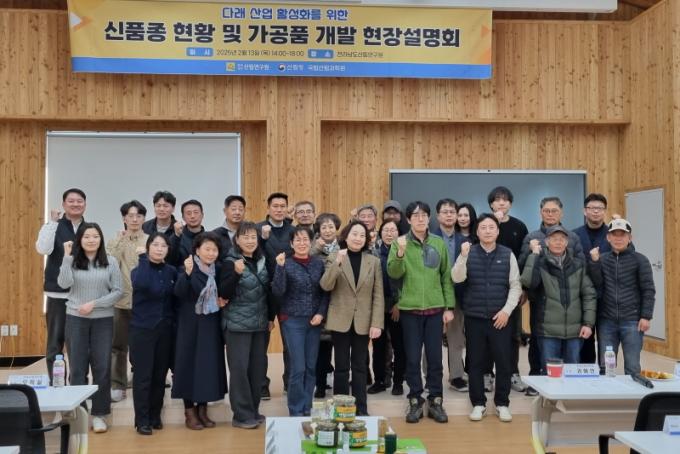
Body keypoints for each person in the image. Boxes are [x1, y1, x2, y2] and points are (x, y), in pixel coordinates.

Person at [387, 201, 454, 424]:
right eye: (415, 215)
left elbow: (446, 276)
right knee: (412, 358)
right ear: (408, 219)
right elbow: (393, 273)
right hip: (410, 310)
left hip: (435, 309)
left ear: (429, 218)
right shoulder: (399, 242)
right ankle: (415, 399)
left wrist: (449, 307)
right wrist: (400, 253)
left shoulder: (438, 243)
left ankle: (435, 400)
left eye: (424, 215)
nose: (420, 218)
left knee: (435, 358)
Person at [452, 214, 521, 423]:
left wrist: (506, 311)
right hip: (475, 317)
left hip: (501, 318)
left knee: (503, 362)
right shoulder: (468, 252)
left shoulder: (507, 254)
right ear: (477, 231)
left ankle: (502, 403)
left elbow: (515, 286)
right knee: (475, 362)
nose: (488, 231)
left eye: (492, 227)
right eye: (483, 227)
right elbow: (456, 277)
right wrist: (463, 256)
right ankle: (478, 403)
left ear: (498, 231)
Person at [58, 222, 122, 433]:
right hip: (75, 318)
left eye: (95, 236)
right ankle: (79, 413)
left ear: (101, 239)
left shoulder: (110, 261)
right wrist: (66, 258)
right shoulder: (73, 260)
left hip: (102, 320)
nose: (91, 240)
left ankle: (100, 414)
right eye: (86, 236)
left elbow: (118, 291)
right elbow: (63, 283)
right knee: (77, 368)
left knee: (102, 368)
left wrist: (94, 304)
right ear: (80, 239)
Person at [518, 196, 585, 394]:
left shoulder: (572, 237)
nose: (550, 214)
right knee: (539, 342)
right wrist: (531, 252)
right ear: (541, 212)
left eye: (554, 210)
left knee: (568, 344)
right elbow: (522, 265)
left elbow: (582, 264)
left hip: (569, 300)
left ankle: (567, 383)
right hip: (541, 299)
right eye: (546, 210)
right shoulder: (532, 237)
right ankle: (536, 379)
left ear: (561, 213)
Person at [321, 220, 384, 416]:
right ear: (346, 237)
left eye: (362, 235)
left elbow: (378, 294)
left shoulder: (373, 261)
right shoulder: (334, 257)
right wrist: (337, 263)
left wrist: (377, 323)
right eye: (354, 234)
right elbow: (326, 285)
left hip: (363, 321)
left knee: (360, 367)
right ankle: (341, 410)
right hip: (340, 320)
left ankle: (361, 410)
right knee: (341, 367)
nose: (358, 238)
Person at [218, 222, 273, 429]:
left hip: (260, 323)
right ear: (237, 240)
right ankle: (241, 415)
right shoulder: (229, 262)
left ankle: (253, 410)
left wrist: (270, 318)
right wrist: (236, 273)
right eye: (245, 237)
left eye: (253, 237)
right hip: (237, 325)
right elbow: (224, 293)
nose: (250, 241)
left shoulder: (263, 259)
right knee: (239, 370)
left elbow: (269, 291)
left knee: (257, 370)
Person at [520, 225, 596, 371]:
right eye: (554, 239)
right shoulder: (540, 263)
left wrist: (588, 323)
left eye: (562, 239)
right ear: (546, 242)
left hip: (574, 332)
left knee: (572, 374)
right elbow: (528, 282)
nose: (558, 242)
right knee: (549, 374)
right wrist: (534, 254)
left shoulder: (578, 265)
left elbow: (589, 295)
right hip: (548, 332)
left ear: (567, 243)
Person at [172, 232, 227, 430]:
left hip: (210, 323)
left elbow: (226, 291)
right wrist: (187, 274)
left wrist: (224, 299)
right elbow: (178, 292)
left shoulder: (218, 270)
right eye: (207, 249)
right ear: (197, 250)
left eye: (214, 250)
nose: (211, 253)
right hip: (189, 324)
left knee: (207, 366)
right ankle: (189, 412)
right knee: (187, 365)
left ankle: (202, 410)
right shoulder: (187, 267)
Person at [271, 226, 328, 416]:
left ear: (311, 242)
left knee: (311, 367)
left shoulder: (318, 264)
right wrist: (279, 268)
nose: (302, 243)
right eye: (298, 240)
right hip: (292, 321)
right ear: (291, 243)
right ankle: (295, 409)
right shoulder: (285, 263)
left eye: (305, 240)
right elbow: (278, 291)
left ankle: (306, 407)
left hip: (314, 322)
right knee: (298, 367)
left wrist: (321, 313)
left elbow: (325, 292)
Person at [588, 219, 655, 376]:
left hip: (632, 321)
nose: (618, 238)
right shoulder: (602, 259)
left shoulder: (640, 260)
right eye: (614, 235)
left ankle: (634, 392)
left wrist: (646, 316)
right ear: (608, 238)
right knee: (605, 367)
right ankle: (607, 392)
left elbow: (648, 290)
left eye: (622, 235)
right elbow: (597, 284)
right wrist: (595, 263)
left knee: (632, 366)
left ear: (629, 238)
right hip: (606, 321)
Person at [35, 188, 86, 384]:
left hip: (82, 295)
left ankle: (78, 386)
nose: (75, 204)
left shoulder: (89, 228)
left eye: (79, 201)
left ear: (85, 205)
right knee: (55, 345)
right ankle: (56, 384)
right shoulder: (54, 226)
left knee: (79, 346)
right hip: (57, 295)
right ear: (64, 204)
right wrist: (52, 223)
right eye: (71, 201)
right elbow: (43, 248)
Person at [129, 233, 176, 435]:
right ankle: (142, 420)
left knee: (159, 375)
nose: (159, 248)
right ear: (148, 248)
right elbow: (142, 284)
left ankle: (155, 416)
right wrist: (142, 259)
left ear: (168, 249)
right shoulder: (138, 270)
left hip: (165, 330)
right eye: (155, 245)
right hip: (143, 329)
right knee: (143, 376)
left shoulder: (171, 271)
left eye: (163, 245)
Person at [488, 186, 529, 393]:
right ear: (491, 204)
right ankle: (487, 374)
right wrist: (494, 222)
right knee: (487, 334)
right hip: (487, 289)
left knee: (513, 335)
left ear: (510, 204)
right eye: (497, 199)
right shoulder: (486, 224)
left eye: (505, 200)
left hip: (513, 288)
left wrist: (523, 288)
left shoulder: (519, 226)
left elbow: (524, 258)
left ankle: (512, 373)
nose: (501, 203)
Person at [108, 200, 149, 403]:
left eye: (138, 216)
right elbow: (110, 263)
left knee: (143, 346)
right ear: (124, 218)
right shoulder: (114, 240)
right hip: (120, 301)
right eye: (130, 216)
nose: (134, 219)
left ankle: (143, 382)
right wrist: (120, 241)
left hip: (144, 302)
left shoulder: (150, 240)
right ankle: (117, 384)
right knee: (118, 346)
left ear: (144, 218)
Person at [257, 192, 296, 399]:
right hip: (263, 293)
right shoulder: (258, 229)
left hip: (288, 293)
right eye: (275, 206)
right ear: (268, 208)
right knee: (261, 342)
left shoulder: (293, 231)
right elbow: (252, 254)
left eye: (282, 206)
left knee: (290, 342)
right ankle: (261, 384)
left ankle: (290, 382)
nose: (279, 209)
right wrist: (262, 239)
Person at [431, 198, 469, 393]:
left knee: (456, 338)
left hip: (458, 296)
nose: (448, 215)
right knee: (431, 339)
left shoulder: (465, 241)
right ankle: (431, 377)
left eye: (452, 212)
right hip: (433, 295)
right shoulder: (428, 238)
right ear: (438, 216)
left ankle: (456, 376)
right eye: (444, 212)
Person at [572, 193, 611, 364]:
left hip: (607, 296)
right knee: (584, 340)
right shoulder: (574, 235)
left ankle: (604, 374)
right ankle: (585, 374)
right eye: (592, 208)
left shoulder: (613, 234)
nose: (596, 211)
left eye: (600, 208)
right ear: (584, 211)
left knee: (606, 342)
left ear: (605, 211)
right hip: (581, 296)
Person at [369, 220, 406, 396]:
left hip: (398, 305)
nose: (389, 233)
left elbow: (408, 280)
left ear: (398, 233)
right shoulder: (374, 252)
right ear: (380, 232)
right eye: (386, 230)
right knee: (378, 347)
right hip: (377, 304)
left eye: (393, 230)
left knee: (400, 346)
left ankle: (398, 382)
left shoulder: (404, 251)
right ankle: (379, 381)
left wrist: (399, 303)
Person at [310, 212, 342, 398]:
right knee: (322, 349)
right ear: (318, 230)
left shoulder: (343, 247)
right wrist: (316, 248)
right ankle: (320, 385)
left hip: (340, 302)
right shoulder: (312, 247)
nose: (328, 230)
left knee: (341, 348)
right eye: (324, 227)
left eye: (331, 227)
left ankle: (340, 387)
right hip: (320, 302)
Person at [168, 199, 206, 266]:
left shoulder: (210, 238)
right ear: (183, 217)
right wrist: (176, 236)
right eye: (188, 213)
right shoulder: (176, 238)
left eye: (196, 212)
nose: (192, 216)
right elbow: (170, 261)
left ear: (202, 215)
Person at [213, 194, 246, 261]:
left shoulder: (251, 232)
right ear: (225, 211)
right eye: (233, 209)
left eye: (240, 209)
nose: (237, 212)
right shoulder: (215, 235)